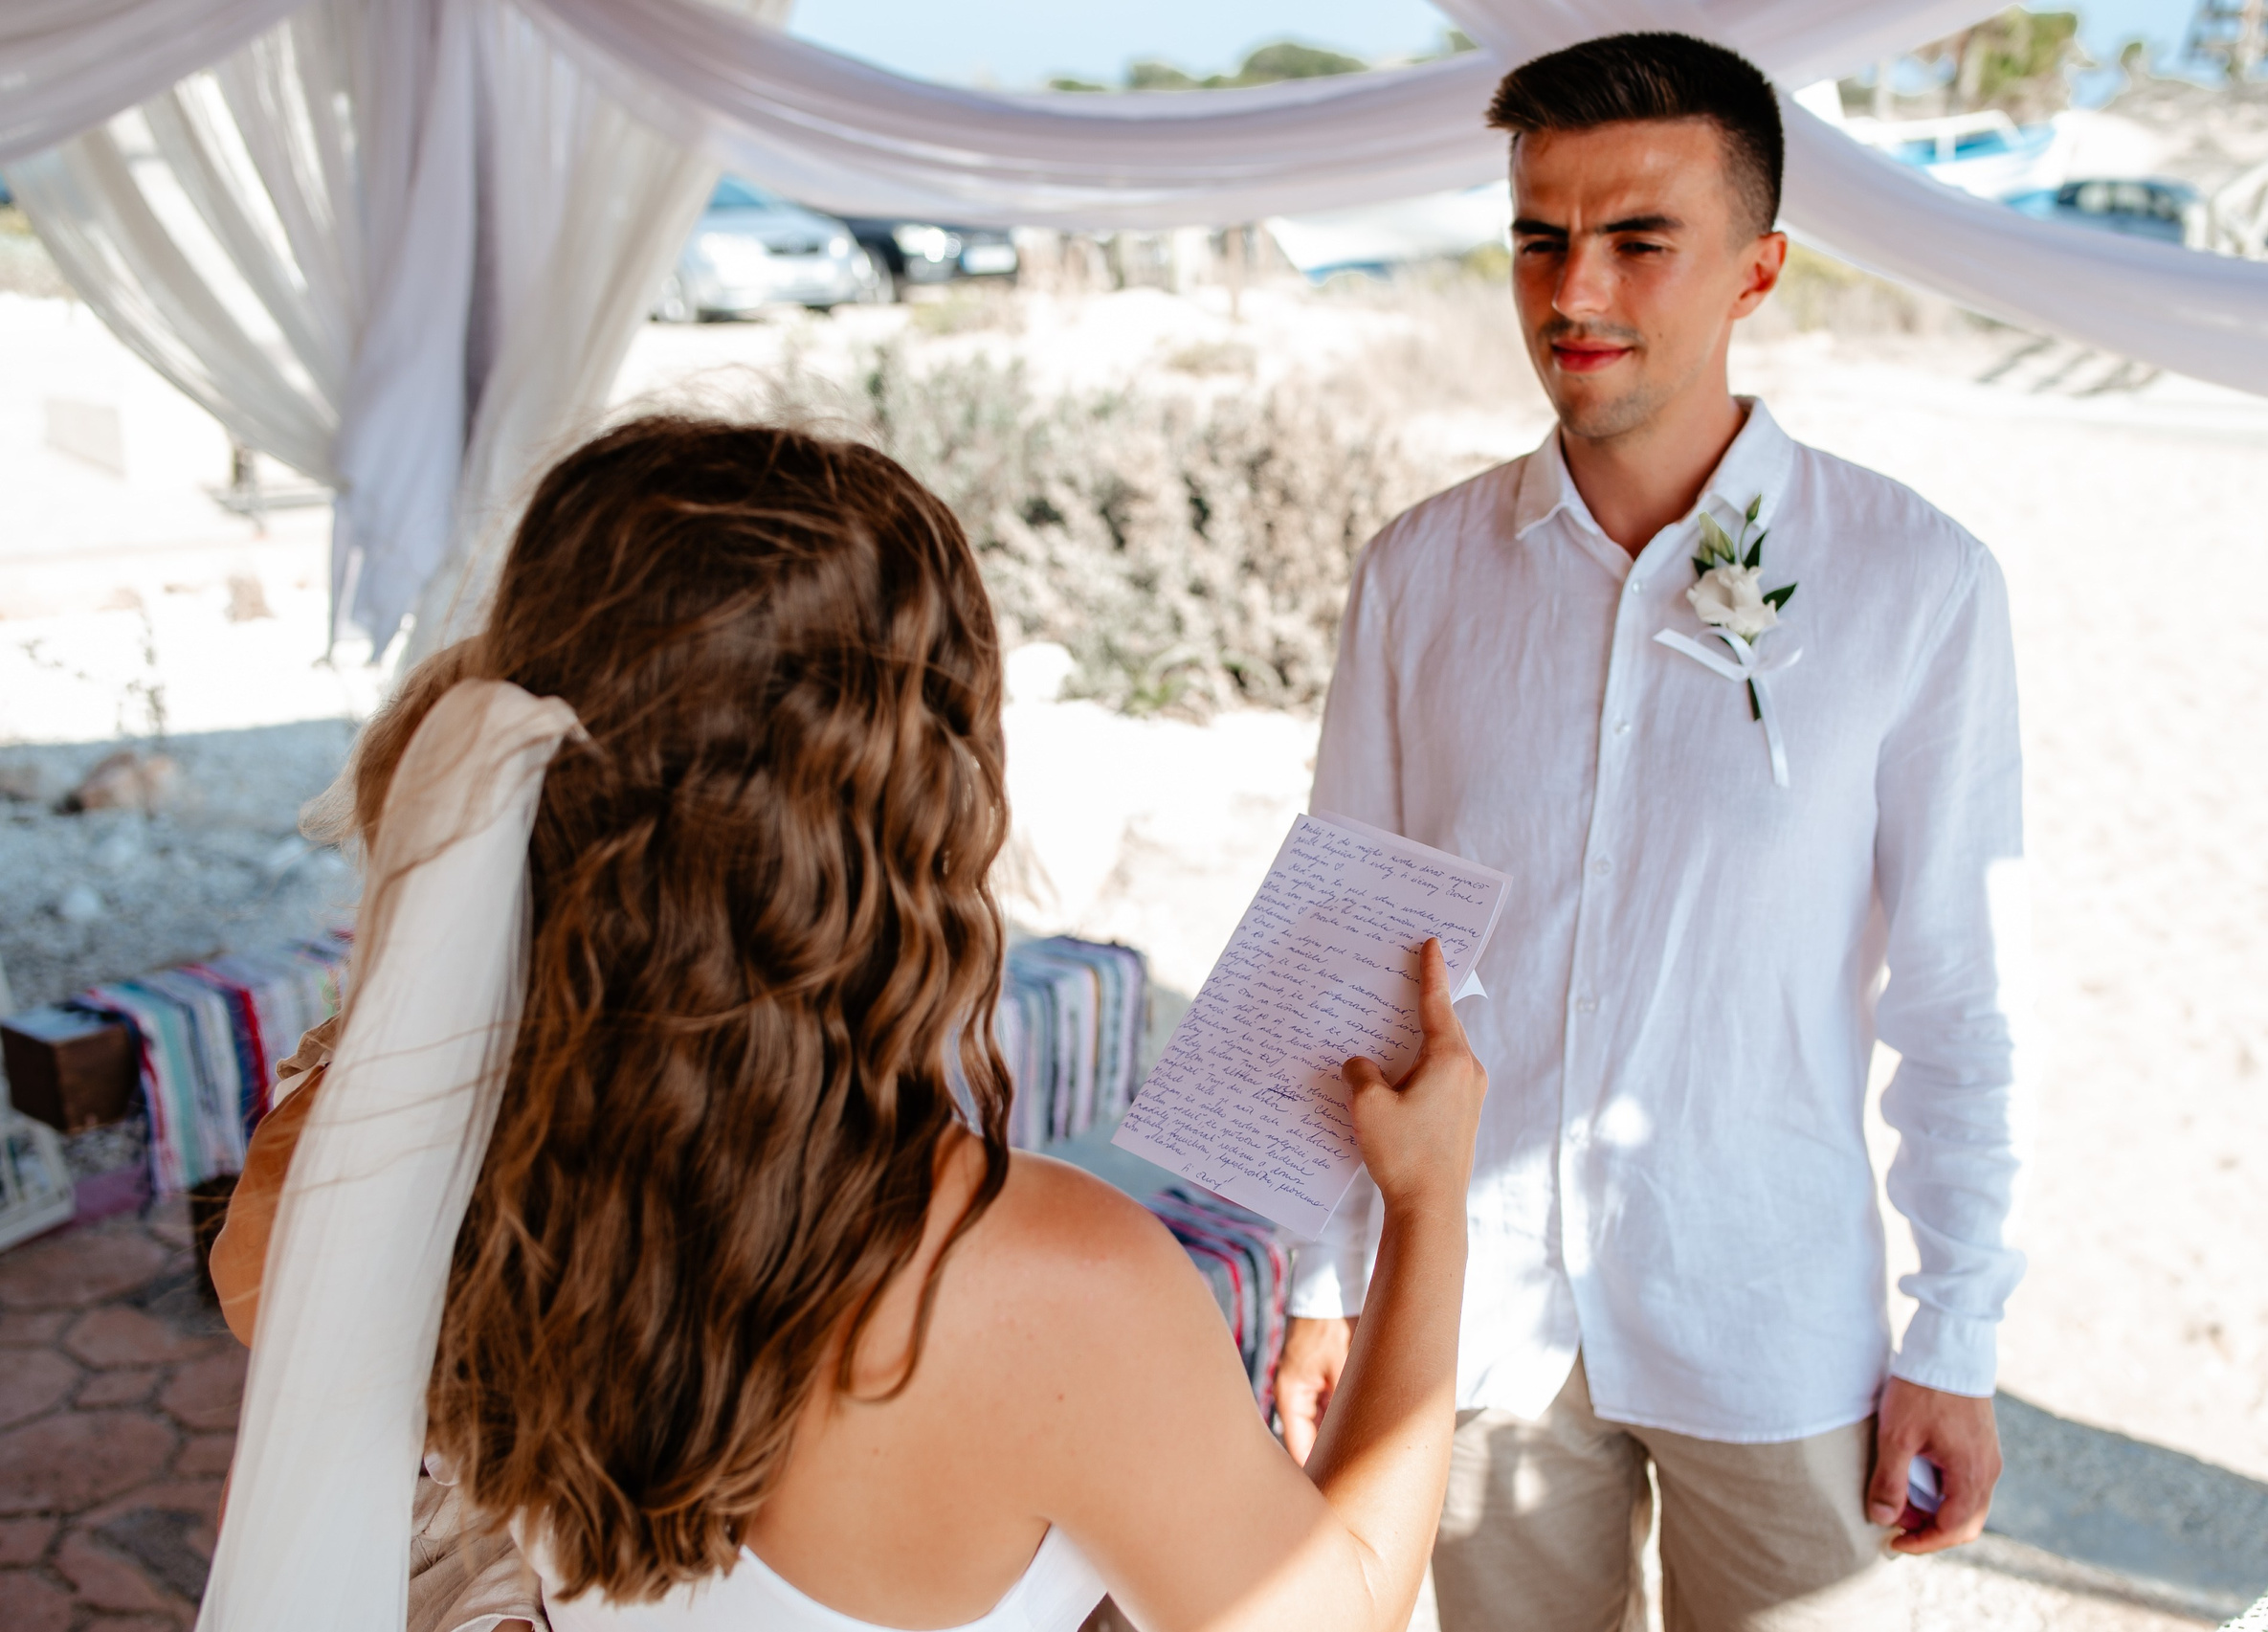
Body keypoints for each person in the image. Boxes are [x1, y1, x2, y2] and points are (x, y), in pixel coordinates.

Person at [205, 417, 1489, 1632]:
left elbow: (259, 1292)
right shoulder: (1057, 1285)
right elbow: (1342, 1607)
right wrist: (1429, 1202)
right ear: (915, 809)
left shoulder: (391, 1152)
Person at [1271, 33, 2027, 1632]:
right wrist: (1326, 1277)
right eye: (1540, 237)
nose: (1573, 291)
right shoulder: (1417, 576)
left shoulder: (1918, 583)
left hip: (1769, 1307)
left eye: (1637, 240)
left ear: (1757, 270)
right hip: (1472, 1323)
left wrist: (1955, 1333)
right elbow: (1342, 948)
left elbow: (1960, 993)